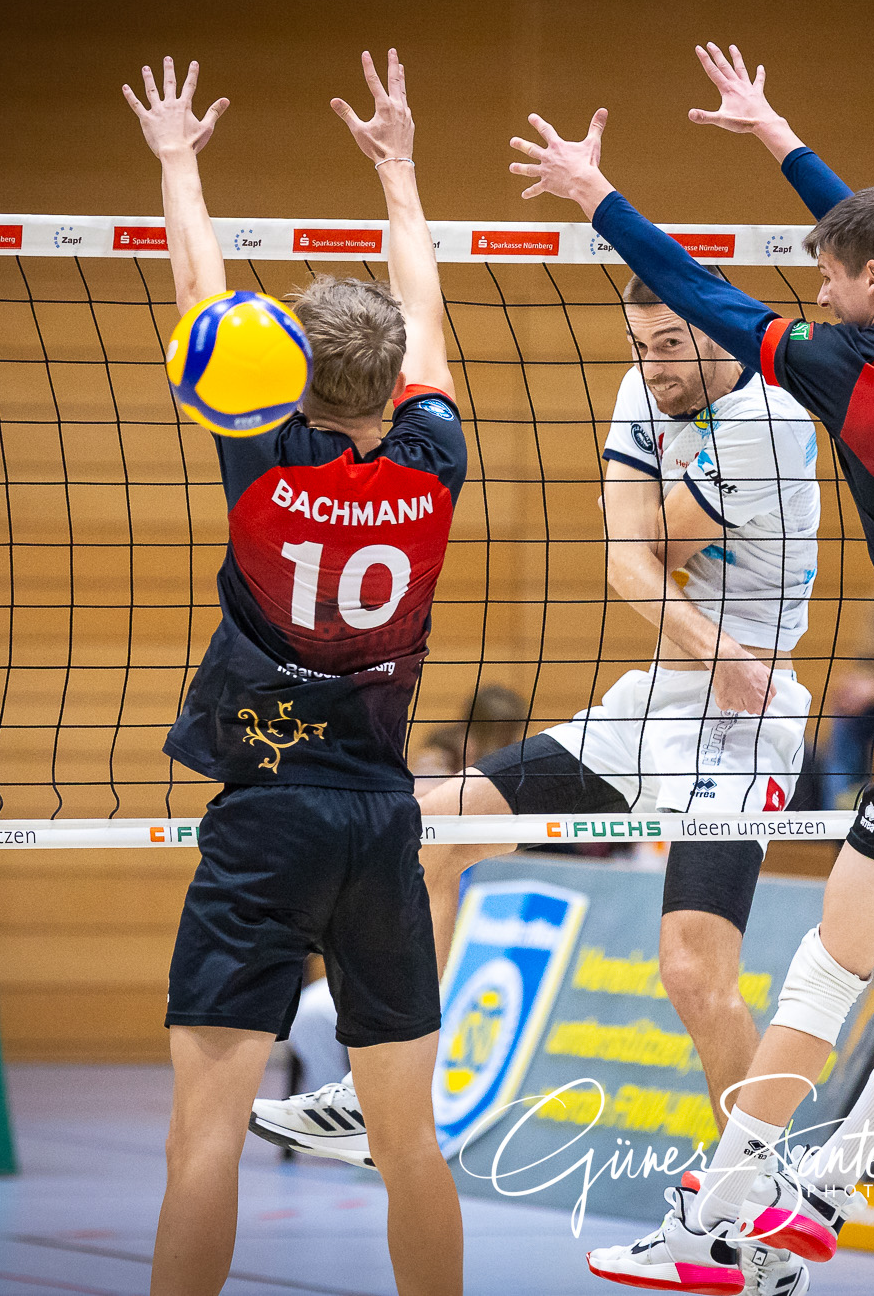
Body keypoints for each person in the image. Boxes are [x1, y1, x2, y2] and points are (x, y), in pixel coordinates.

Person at [511, 43, 874, 1291]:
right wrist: (773, 133)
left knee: (828, 966)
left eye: (829, 276)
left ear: (868, 283)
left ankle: (718, 1211)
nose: (816, 289)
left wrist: (594, 195)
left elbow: (691, 287)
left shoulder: (842, 367)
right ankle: (831, 1187)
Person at [253, 266, 824, 1290]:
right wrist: (669, 589)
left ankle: (752, 1223)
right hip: (660, 693)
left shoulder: (772, 420)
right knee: (426, 832)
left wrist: (659, 565)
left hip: (741, 719)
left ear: (720, 333)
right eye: (640, 345)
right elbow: (623, 563)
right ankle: (381, 1106)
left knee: (694, 971)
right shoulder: (641, 386)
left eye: (671, 346)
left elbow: (651, 544)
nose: (652, 366)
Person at [129, 52, 466, 1296]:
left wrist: (179, 162)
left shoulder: (263, 455)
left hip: (266, 819)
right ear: (393, 382)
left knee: (202, 1142)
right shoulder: (434, 458)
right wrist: (400, 170)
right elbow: (422, 313)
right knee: (407, 1145)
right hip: (381, 820)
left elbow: (200, 300)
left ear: (284, 378)